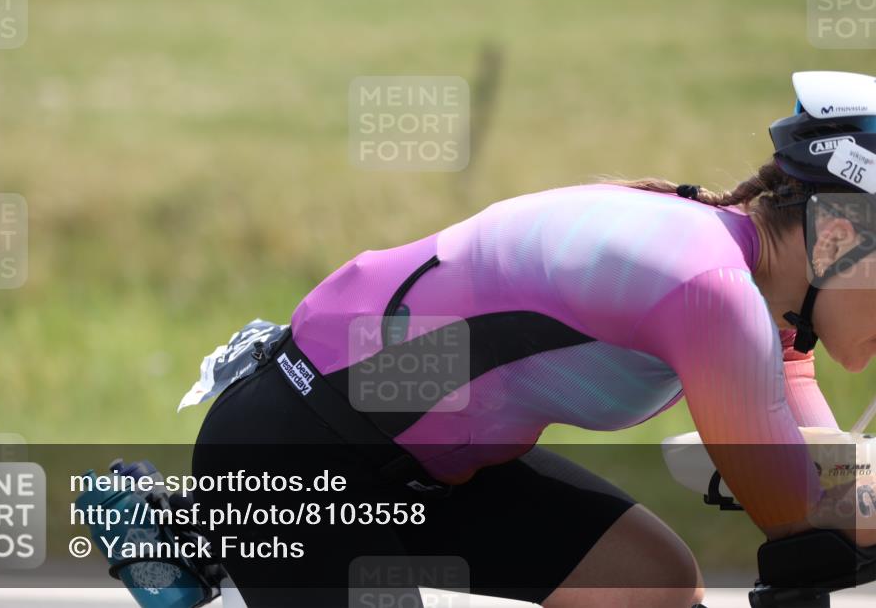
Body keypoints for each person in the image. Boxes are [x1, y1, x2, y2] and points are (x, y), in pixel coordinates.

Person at [185, 70, 876, 608]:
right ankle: (198, 537)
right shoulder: (709, 286)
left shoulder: (766, 296)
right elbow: (790, 509)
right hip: (301, 456)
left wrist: (847, 483)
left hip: (430, 472)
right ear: (837, 236)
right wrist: (842, 495)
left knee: (649, 584)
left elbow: (825, 474)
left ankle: (194, 539)